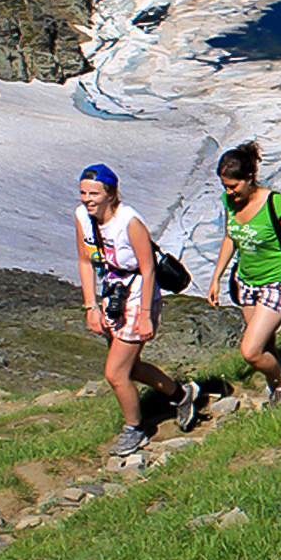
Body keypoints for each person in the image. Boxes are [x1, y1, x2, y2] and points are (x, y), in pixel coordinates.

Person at [75, 164, 199, 456]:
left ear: (111, 193)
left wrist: (145, 315)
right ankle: (182, 395)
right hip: (111, 294)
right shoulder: (83, 217)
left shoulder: (129, 222)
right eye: (82, 193)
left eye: (94, 193)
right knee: (129, 365)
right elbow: (84, 261)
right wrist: (91, 306)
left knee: (116, 372)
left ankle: (135, 428)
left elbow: (148, 269)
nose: (87, 199)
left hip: (137, 294)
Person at [205, 142, 281, 405]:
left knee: (251, 351)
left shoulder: (275, 203)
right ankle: (279, 392)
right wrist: (217, 278)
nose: (228, 192)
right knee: (265, 344)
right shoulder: (231, 202)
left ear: (249, 179)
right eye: (224, 186)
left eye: (233, 186)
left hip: (277, 283)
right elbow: (229, 238)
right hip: (246, 282)